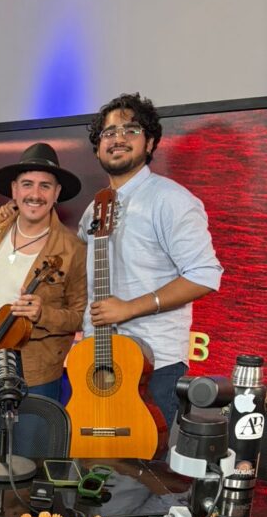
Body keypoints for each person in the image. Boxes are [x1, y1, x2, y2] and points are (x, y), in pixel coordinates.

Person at [80, 92, 223, 430]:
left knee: (147, 461)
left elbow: (205, 274)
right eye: (109, 133)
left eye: (131, 130)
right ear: (98, 148)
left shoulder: (171, 200)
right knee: (94, 458)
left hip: (154, 366)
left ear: (150, 142)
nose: (118, 139)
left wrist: (129, 308)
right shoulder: (94, 208)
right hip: (97, 362)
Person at [0, 143, 87, 401]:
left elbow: (80, 316)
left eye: (45, 186)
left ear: (57, 193)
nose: (35, 194)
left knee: (33, 429)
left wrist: (43, 314)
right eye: (27, 184)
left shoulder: (73, 249)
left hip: (37, 370)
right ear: (14, 190)